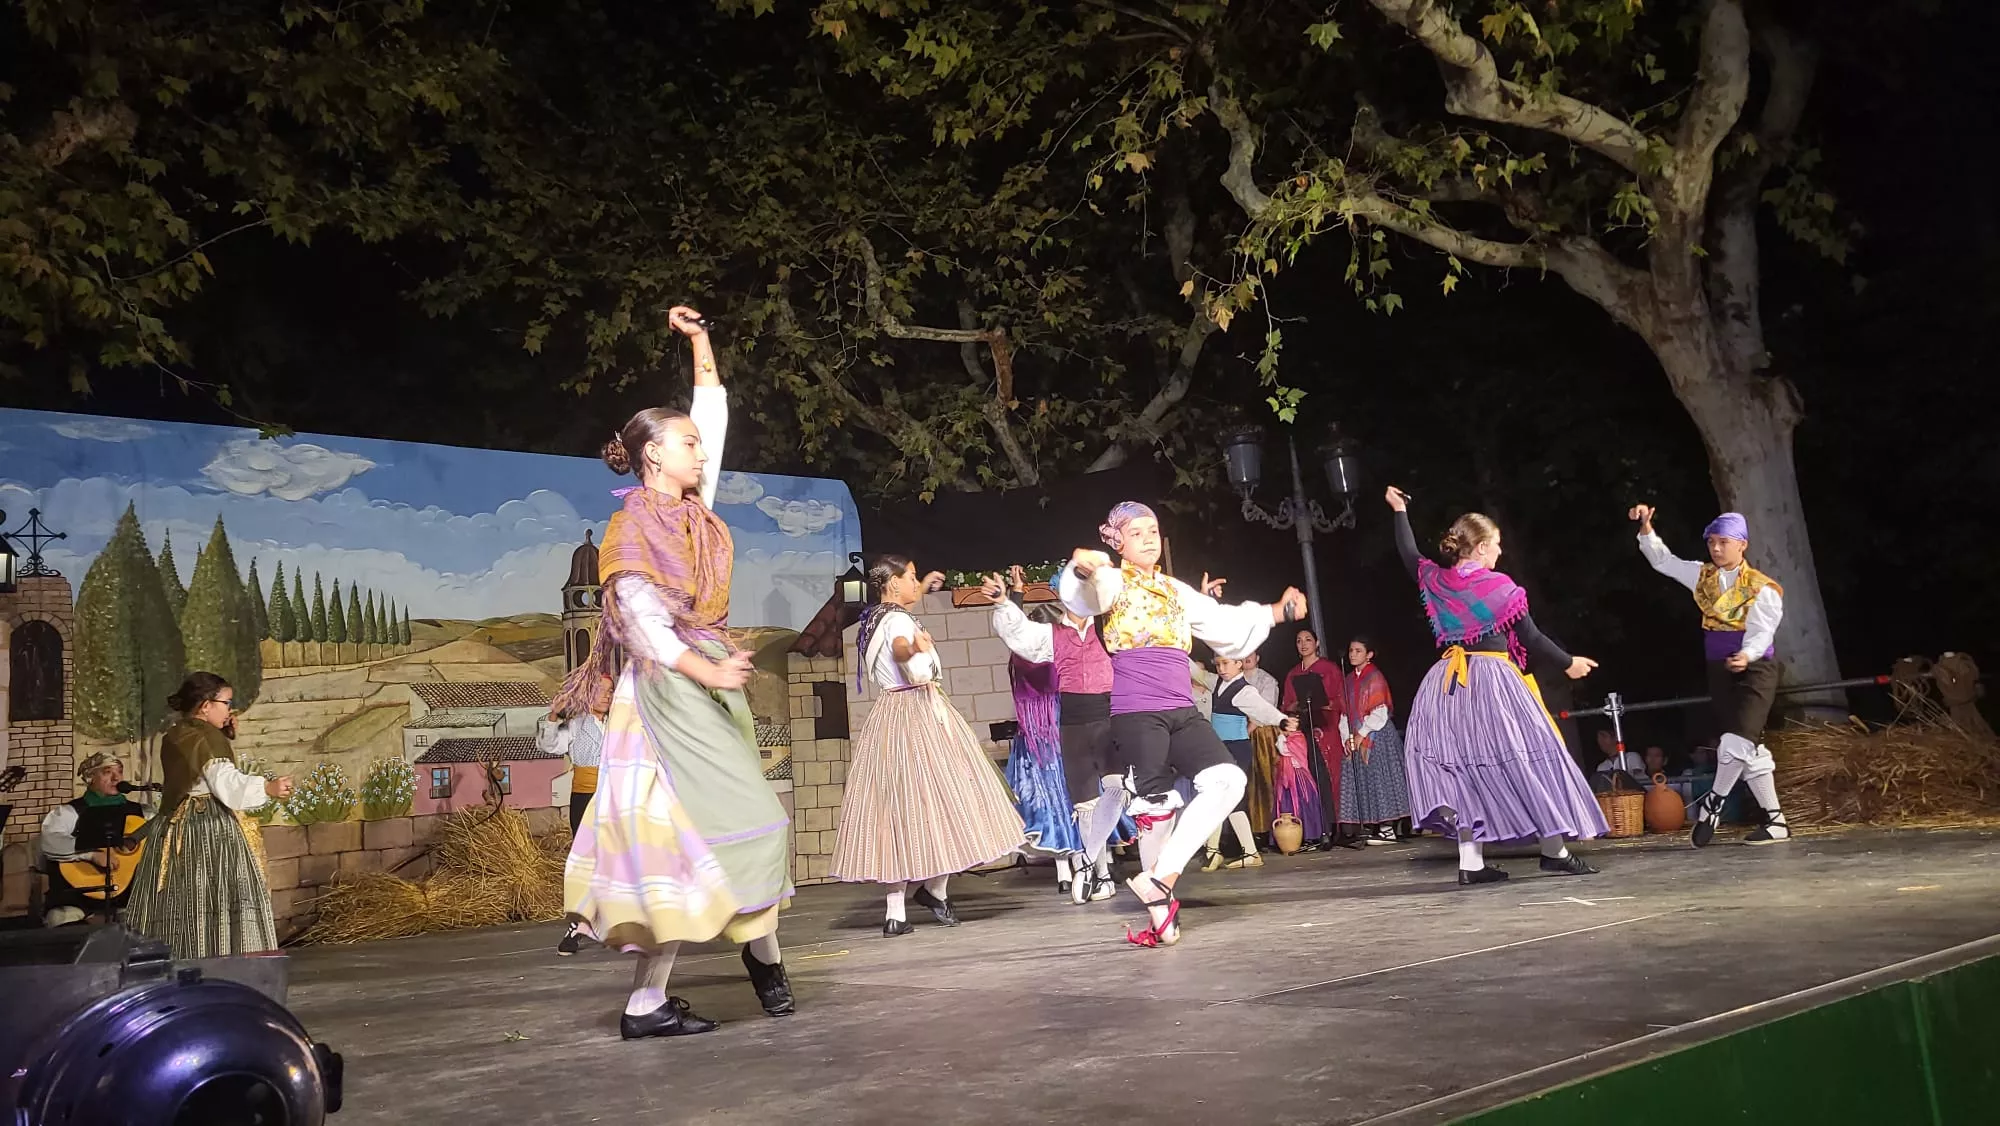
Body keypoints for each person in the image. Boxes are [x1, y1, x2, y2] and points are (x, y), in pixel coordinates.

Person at [558, 305, 795, 1040]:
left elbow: (713, 414)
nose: (700, 453)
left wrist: (701, 342)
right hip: (665, 694)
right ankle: (729, 971)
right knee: (688, 839)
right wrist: (709, 671)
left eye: (697, 444)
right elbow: (644, 627)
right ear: (652, 455)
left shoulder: (694, 512)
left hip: (703, 680)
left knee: (724, 832)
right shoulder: (634, 529)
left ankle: (737, 963)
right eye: (685, 444)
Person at [1060, 501, 1306, 946]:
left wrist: (1275, 612)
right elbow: (1084, 594)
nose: (1149, 537)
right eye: (1137, 532)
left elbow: (1223, 623)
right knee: (1155, 807)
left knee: (1228, 779)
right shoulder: (1113, 581)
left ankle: (1159, 879)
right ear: (1117, 541)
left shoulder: (1174, 590)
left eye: (1153, 530)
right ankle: (1159, 908)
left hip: (1181, 708)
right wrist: (1082, 571)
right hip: (1138, 712)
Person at [1386, 487, 1605, 886]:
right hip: (1492, 681)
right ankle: (1554, 851)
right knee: (1529, 756)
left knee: (1464, 769)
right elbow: (1533, 638)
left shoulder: (1439, 581)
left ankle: (1471, 862)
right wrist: (1568, 662)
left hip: (1447, 685)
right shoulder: (1498, 587)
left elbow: (1408, 554)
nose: (1500, 553)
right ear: (1483, 547)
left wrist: (1400, 511)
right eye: (1497, 545)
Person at [831, 555, 1027, 935]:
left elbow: (897, 635)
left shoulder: (873, 620)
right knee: (948, 798)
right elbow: (902, 649)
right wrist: (917, 647)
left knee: (895, 807)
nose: (916, 583)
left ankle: (896, 912)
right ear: (893, 583)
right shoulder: (899, 623)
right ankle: (935, 890)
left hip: (889, 714)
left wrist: (926, 584)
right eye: (912, 577)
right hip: (918, 710)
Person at [1630, 505, 1792, 845]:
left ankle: (1713, 804)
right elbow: (1664, 561)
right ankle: (1776, 822)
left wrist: (1746, 655)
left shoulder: (1762, 588)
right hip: (1719, 668)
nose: (1716, 549)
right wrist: (1647, 528)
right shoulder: (1701, 576)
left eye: (1723, 542)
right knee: (1749, 747)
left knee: (1735, 741)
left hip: (1756, 668)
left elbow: (1763, 632)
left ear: (1742, 544)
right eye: (1712, 543)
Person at [123, 673, 292, 957]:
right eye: (226, 703)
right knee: (209, 892)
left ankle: (181, 957)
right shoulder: (201, 736)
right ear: (205, 705)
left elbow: (195, 771)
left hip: (179, 825)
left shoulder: (180, 731)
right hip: (205, 827)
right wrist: (267, 787)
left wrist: (222, 735)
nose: (229, 710)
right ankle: (215, 958)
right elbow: (224, 784)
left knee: (182, 898)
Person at [985, 567, 1120, 905]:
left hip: (1109, 719)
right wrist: (1005, 601)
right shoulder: (1052, 637)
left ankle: (1095, 865)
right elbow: (1018, 633)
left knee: (1118, 792)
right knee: (1084, 802)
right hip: (1070, 724)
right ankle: (1096, 871)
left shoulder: (1112, 629)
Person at [1203, 655, 1296, 869]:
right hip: (1221, 748)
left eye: (1226, 663)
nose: (1221, 668)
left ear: (1239, 663)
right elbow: (1196, 672)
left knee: (1227, 798)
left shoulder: (1244, 690)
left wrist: (1281, 720)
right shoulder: (1217, 683)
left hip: (1236, 749)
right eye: (1217, 664)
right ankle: (1226, 851)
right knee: (1222, 797)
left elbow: (1262, 709)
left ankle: (1230, 851)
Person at [539, 675, 609, 956]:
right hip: (585, 797)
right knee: (586, 862)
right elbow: (550, 745)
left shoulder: (619, 723)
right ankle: (578, 925)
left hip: (615, 796)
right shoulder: (577, 724)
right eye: (601, 691)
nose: (607, 696)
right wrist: (554, 714)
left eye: (610, 691)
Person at [38, 753, 149, 926]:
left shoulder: (142, 813)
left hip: (126, 899)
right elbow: (50, 843)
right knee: (61, 920)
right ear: (90, 777)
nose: (116, 777)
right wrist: (91, 855)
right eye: (107, 772)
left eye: (119, 771)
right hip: (76, 897)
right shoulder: (68, 812)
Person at [1337, 638, 1412, 844]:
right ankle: (1370, 826)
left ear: (1369, 655)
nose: (1353, 654)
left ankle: (1387, 829)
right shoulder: (1349, 680)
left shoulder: (1375, 677)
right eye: (1351, 650)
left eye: (1358, 651)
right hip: (1357, 735)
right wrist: (1348, 737)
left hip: (1376, 734)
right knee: (1362, 780)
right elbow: (1344, 713)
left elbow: (1381, 710)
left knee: (1381, 779)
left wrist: (1362, 733)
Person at [1282, 629, 1348, 847]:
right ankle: (1313, 829)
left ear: (1317, 643)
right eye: (1298, 640)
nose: (1303, 644)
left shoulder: (1328, 669)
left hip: (1325, 730)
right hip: (1303, 732)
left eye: (1308, 640)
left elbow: (1339, 700)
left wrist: (1324, 704)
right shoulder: (1293, 673)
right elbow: (1287, 704)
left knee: (1327, 778)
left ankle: (1332, 828)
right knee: (1306, 779)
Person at [1241, 651, 1284, 837]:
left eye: (1251, 654)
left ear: (1258, 657)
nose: (1246, 658)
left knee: (1264, 780)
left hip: (1262, 735)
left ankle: (1267, 830)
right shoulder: (1234, 679)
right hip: (1238, 731)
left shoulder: (1267, 680)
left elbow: (1267, 707)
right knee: (1245, 783)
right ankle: (1245, 832)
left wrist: (1250, 727)